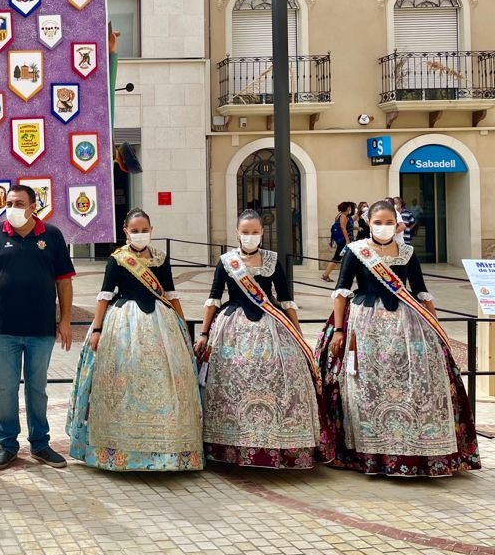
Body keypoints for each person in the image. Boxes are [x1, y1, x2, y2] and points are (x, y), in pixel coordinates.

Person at [316, 200, 480, 477]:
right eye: (377, 222)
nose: (383, 227)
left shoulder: (407, 252)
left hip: (406, 324)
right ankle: (368, 451)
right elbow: (342, 290)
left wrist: (437, 331)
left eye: (388, 222)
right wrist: (340, 330)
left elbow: (420, 291)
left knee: (413, 385)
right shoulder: (357, 252)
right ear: (368, 223)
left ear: (397, 223)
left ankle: (414, 448)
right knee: (365, 386)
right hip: (364, 323)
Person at [66, 209, 203, 472]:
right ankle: (119, 449)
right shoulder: (118, 260)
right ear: (125, 232)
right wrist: (96, 329)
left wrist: (183, 327)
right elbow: (104, 296)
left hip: (162, 324)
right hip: (124, 324)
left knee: (164, 380)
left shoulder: (161, 259)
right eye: (135, 230)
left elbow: (171, 294)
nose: (140, 234)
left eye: (145, 229)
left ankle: (168, 450)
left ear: (151, 230)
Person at [195, 209, 333, 469]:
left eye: (255, 232)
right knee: (234, 383)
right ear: (237, 232)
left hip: (272, 326)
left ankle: (279, 443)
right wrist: (203, 333)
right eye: (245, 232)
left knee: (279, 380)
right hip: (232, 327)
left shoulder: (272, 260)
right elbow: (213, 299)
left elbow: (285, 298)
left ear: (262, 233)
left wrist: (298, 335)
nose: (250, 236)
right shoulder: (226, 261)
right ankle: (233, 445)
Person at [0, 184, 75, 471]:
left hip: (41, 330)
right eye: (9, 202)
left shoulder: (51, 236)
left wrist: (65, 321)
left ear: (33, 207)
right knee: (5, 389)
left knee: (37, 389)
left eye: (19, 203)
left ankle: (40, 444)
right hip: (3, 329)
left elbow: (64, 282)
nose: (13, 207)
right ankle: (7, 445)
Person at [321, 201, 354, 282]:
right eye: (349, 207)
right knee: (337, 258)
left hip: (342, 240)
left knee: (340, 257)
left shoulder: (339, 215)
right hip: (344, 240)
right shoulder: (344, 216)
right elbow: (343, 228)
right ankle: (325, 274)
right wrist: (347, 240)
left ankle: (326, 274)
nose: (350, 208)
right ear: (346, 208)